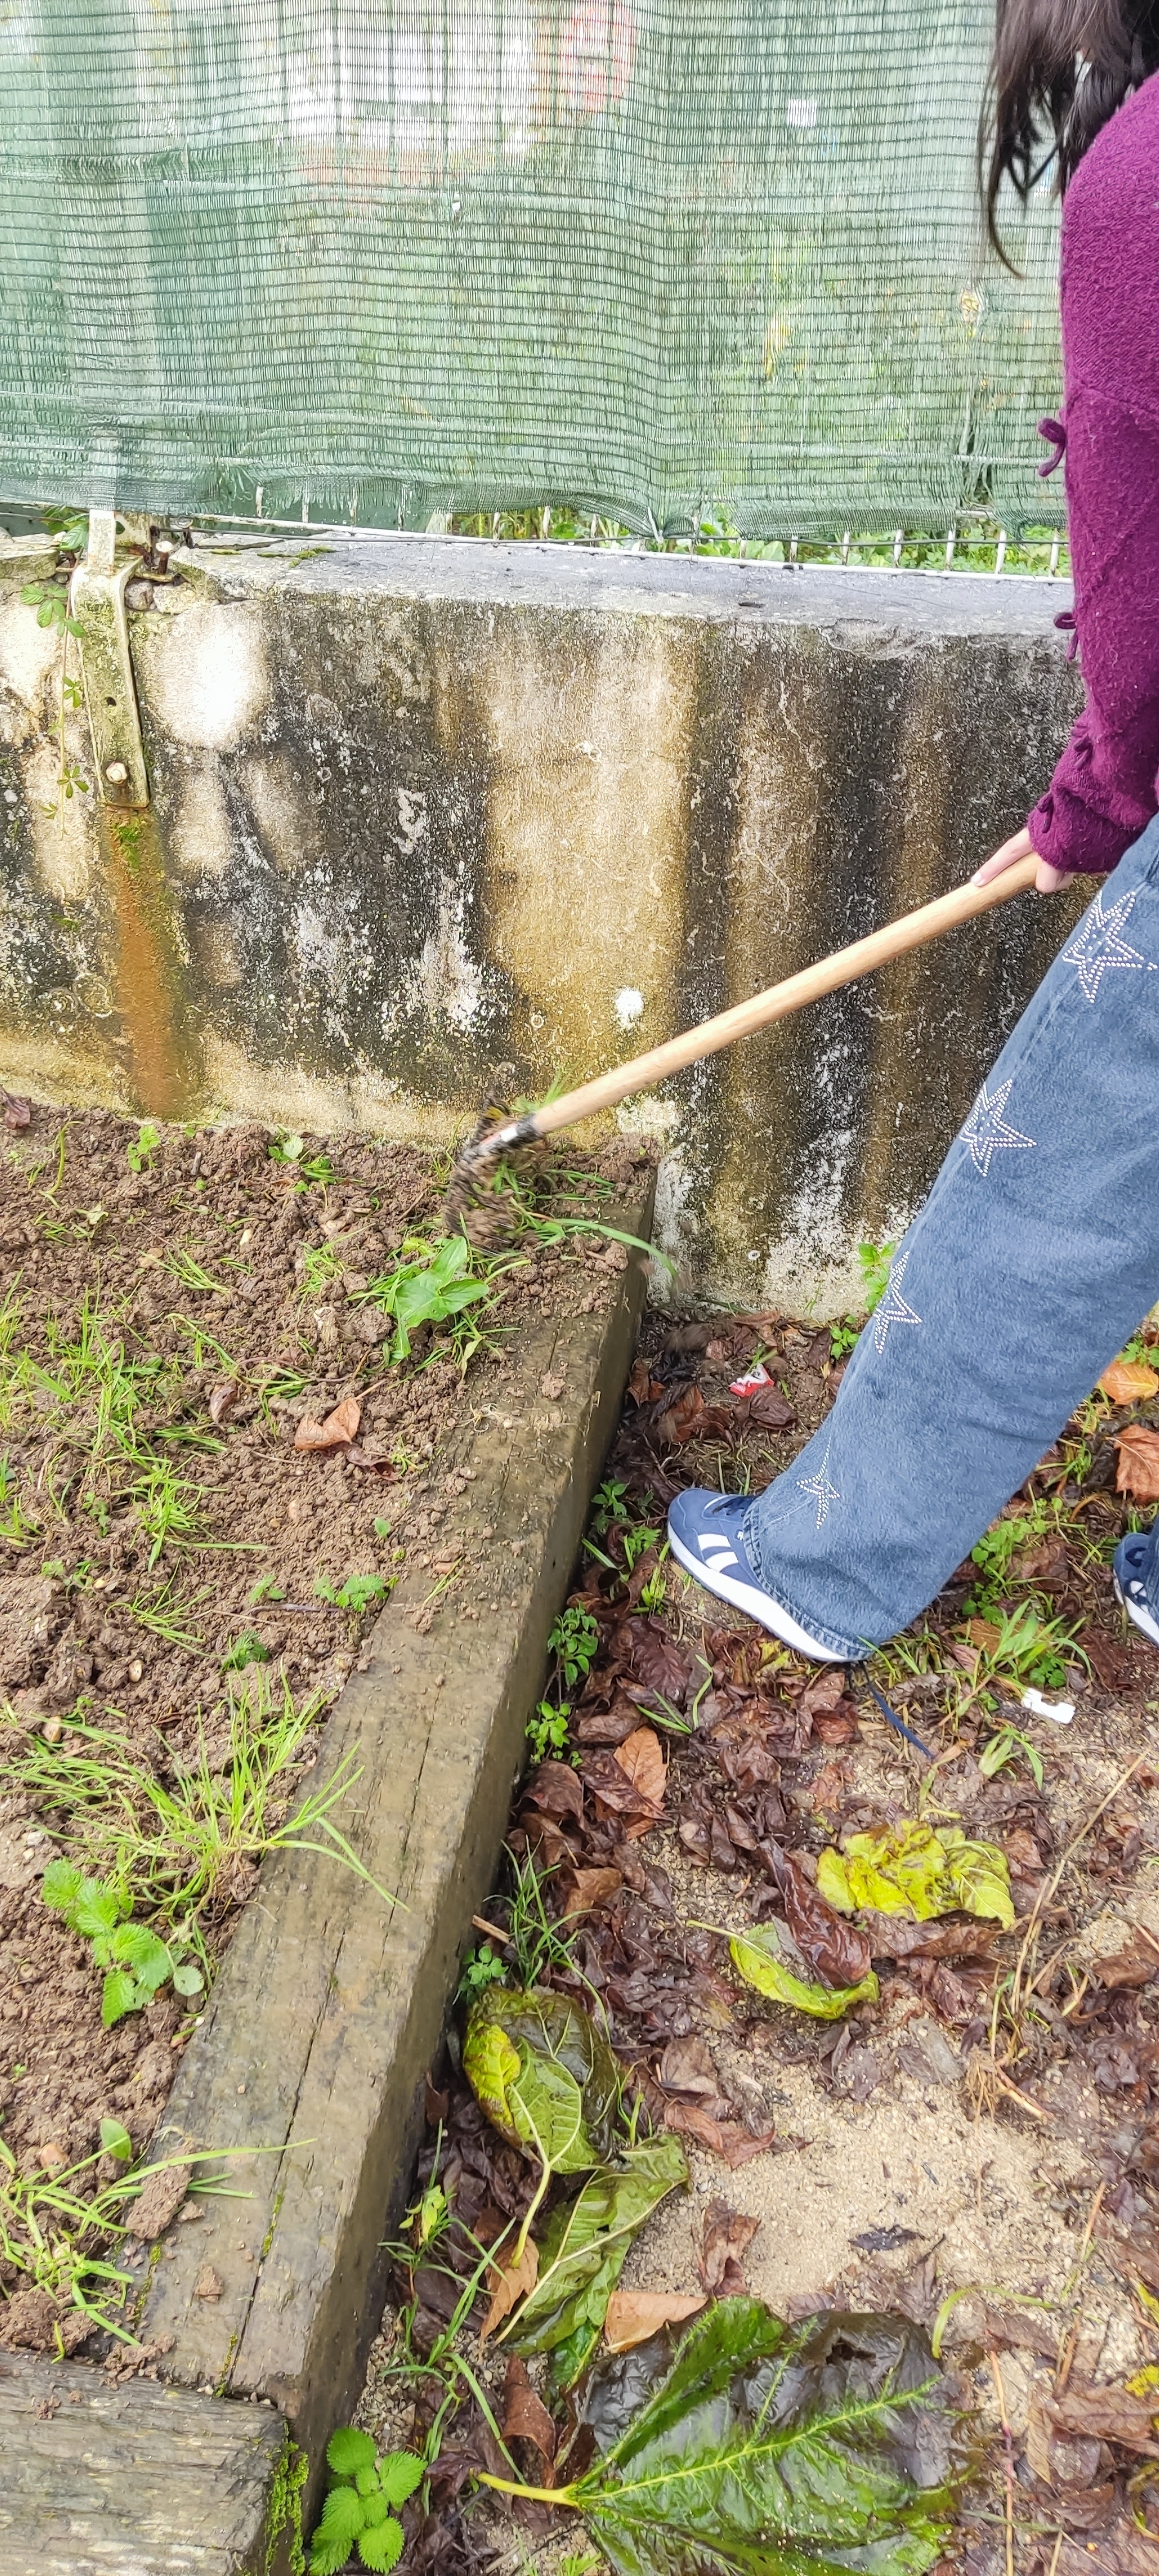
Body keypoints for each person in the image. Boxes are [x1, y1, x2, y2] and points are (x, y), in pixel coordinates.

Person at [668, 0, 1159, 1664]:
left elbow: (1142, 612)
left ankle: (823, 1562)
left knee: (1069, 1168)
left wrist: (1095, 802)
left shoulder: (1146, 186)